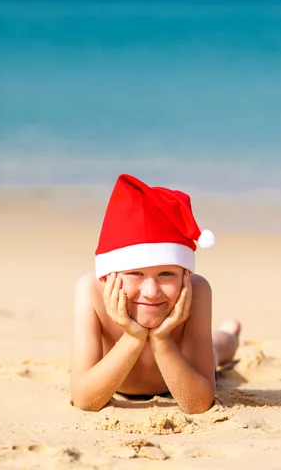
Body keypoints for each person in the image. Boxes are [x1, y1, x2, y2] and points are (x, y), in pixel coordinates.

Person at [70, 174, 240, 414]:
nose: (151, 292)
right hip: (113, 378)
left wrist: (161, 340)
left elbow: (199, 404)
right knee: (213, 346)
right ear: (109, 274)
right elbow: (85, 400)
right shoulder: (90, 290)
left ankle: (229, 334)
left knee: (218, 347)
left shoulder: (197, 290)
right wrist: (133, 337)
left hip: (182, 370)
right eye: (136, 273)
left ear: (185, 274)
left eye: (166, 274)